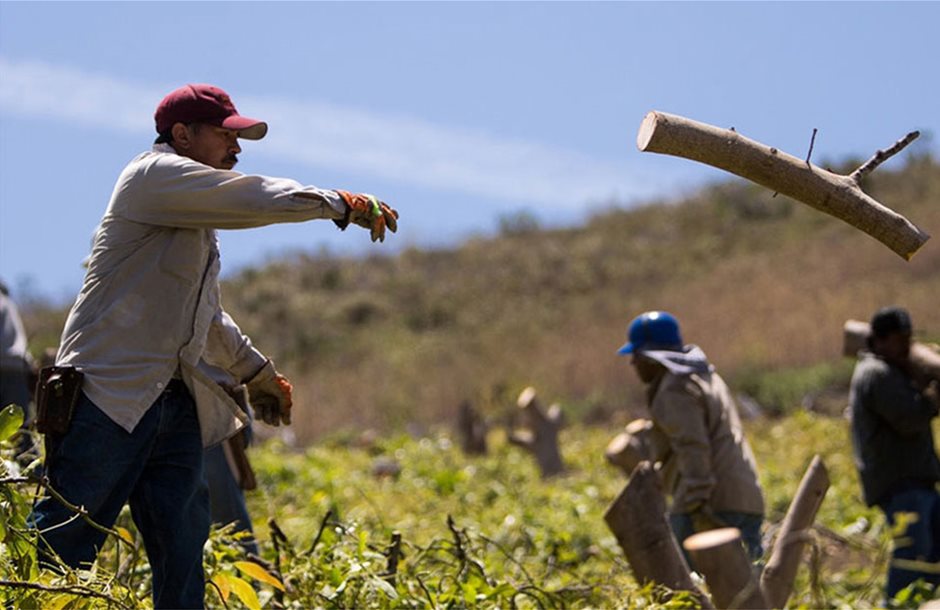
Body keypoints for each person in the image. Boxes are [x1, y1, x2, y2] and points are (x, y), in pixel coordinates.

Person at [29, 83, 399, 609]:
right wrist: (340, 204)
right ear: (182, 135)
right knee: (61, 547)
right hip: (105, 400)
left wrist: (258, 374)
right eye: (227, 135)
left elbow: (208, 318)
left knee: (183, 561)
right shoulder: (151, 176)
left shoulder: (193, 218)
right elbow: (252, 196)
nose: (238, 148)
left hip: (170, 404)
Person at [617, 311, 765, 562]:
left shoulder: (675, 389)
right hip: (743, 495)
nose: (633, 363)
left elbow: (693, 448)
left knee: (694, 589)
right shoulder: (704, 375)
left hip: (716, 502)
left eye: (637, 356)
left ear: (651, 358)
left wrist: (689, 509)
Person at [848, 306, 940, 600]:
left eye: (908, 339)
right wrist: (933, 395)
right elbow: (909, 419)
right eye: (900, 340)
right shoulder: (876, 373)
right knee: (911, 557)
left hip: (916, 482)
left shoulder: (892, 371)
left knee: (931, 555)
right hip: (900, 483)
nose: (906, 347)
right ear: (879, 340)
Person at [0, 279, 37, 462]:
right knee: (20, 427)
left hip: (11, 368)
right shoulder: (8, 305)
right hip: (15, 369)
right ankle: (27, 468)